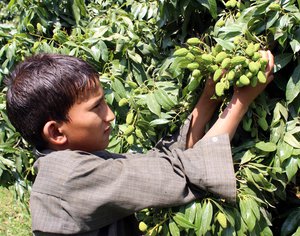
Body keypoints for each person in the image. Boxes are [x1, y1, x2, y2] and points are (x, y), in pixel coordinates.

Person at [5, 51, 274, 235]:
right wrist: (240, 102)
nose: (110, 114)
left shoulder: (63, 163)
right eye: (96, 107)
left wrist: (209, 98)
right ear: (56, 132)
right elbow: (179, 174)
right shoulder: (72, 176)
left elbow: (157, 162)